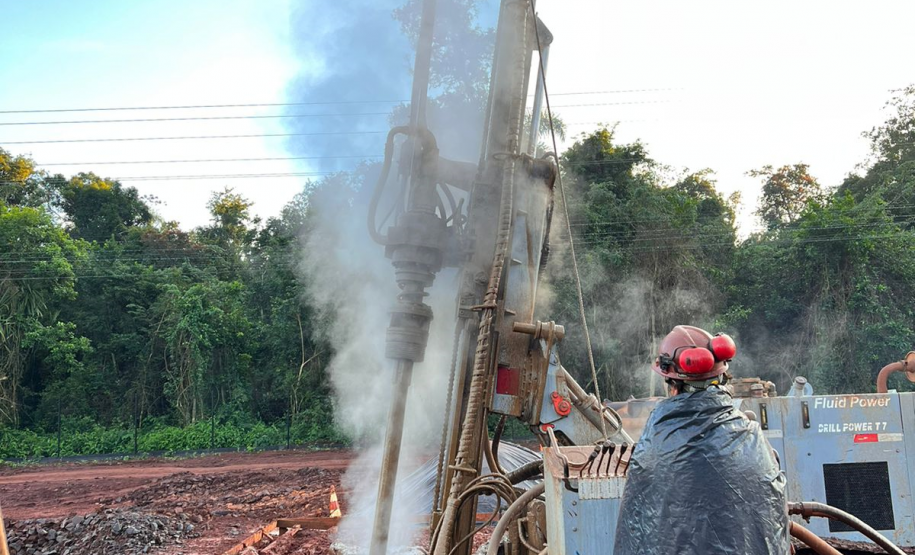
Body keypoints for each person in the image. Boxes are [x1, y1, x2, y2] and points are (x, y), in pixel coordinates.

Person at [613, 325, 791, 555]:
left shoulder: (653, 449)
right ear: (722, 377)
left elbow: (637, 535)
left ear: (672, 385)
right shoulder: (754, 440)